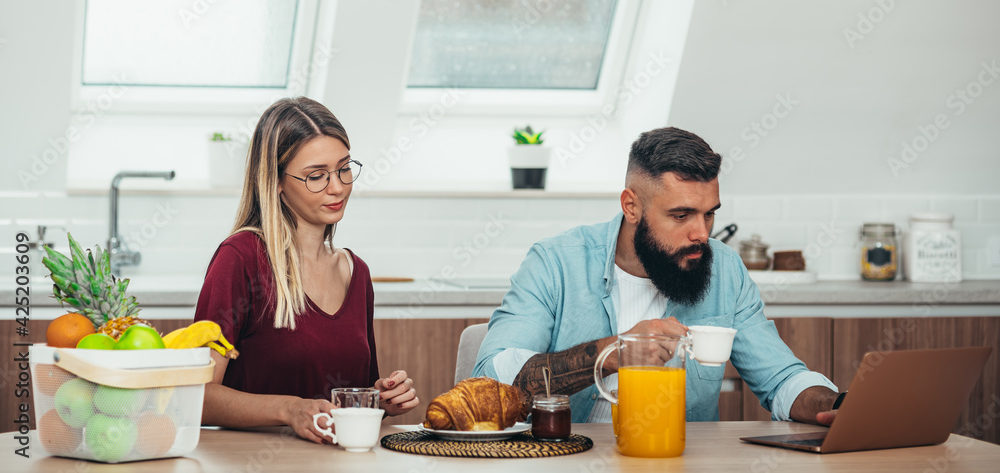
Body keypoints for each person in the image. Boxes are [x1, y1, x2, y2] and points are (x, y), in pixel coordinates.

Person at [474, 127, 842, 425]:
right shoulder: (555, 263)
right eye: (681, 216)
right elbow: (489, 383)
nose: (701, 233)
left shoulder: (724, 269)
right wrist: (615, 352)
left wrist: (836, 404)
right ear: (631, 206)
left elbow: (781, 378)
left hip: (678, 462)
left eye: (709, 214)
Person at [195, 97, 420, 443]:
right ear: (277, 182)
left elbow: (348, 399)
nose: (337, 187)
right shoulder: (241, 258)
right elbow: (197, 395)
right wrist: (289, 409)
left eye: (344, 168)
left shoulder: (354, 272)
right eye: (317, 176)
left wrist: (380, 398)